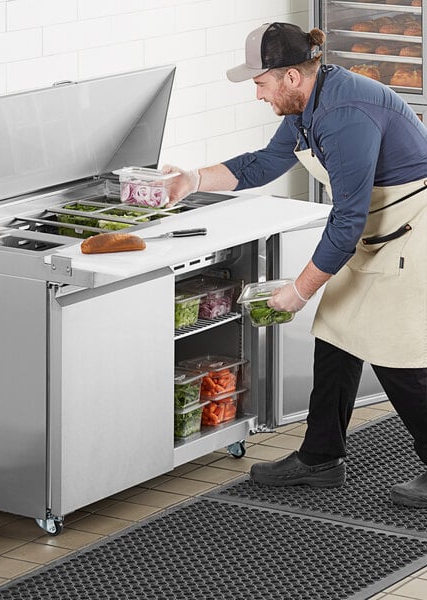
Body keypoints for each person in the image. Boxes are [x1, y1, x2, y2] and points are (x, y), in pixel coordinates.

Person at [163, 22, 427, 507]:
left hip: (412, 230)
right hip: (379, 229)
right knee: (336, 337)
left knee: (395, 352)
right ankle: (320, 457)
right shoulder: (311, 101)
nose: (256, 94)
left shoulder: (344, 114)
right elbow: (264, 163)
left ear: (289, 77)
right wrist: (193, 178)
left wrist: (298, 291)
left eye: (260, 83)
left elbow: (346, 221)